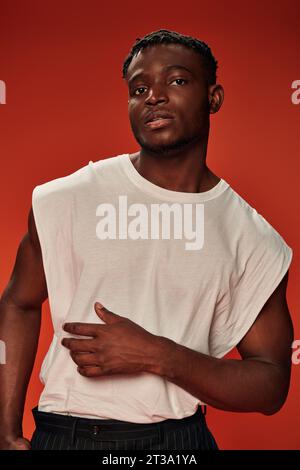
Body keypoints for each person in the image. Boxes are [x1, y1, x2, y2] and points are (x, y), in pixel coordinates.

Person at [0, 29, 294, 451]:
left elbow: (271, 385)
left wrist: (160, 356)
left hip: (177, 443)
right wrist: (5, 429)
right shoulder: (66, 198)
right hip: (68, 437)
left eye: (176, 81)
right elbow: (18, 302)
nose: (153, 96)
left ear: (214, 98)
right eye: (139, 88)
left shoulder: (252, 238)